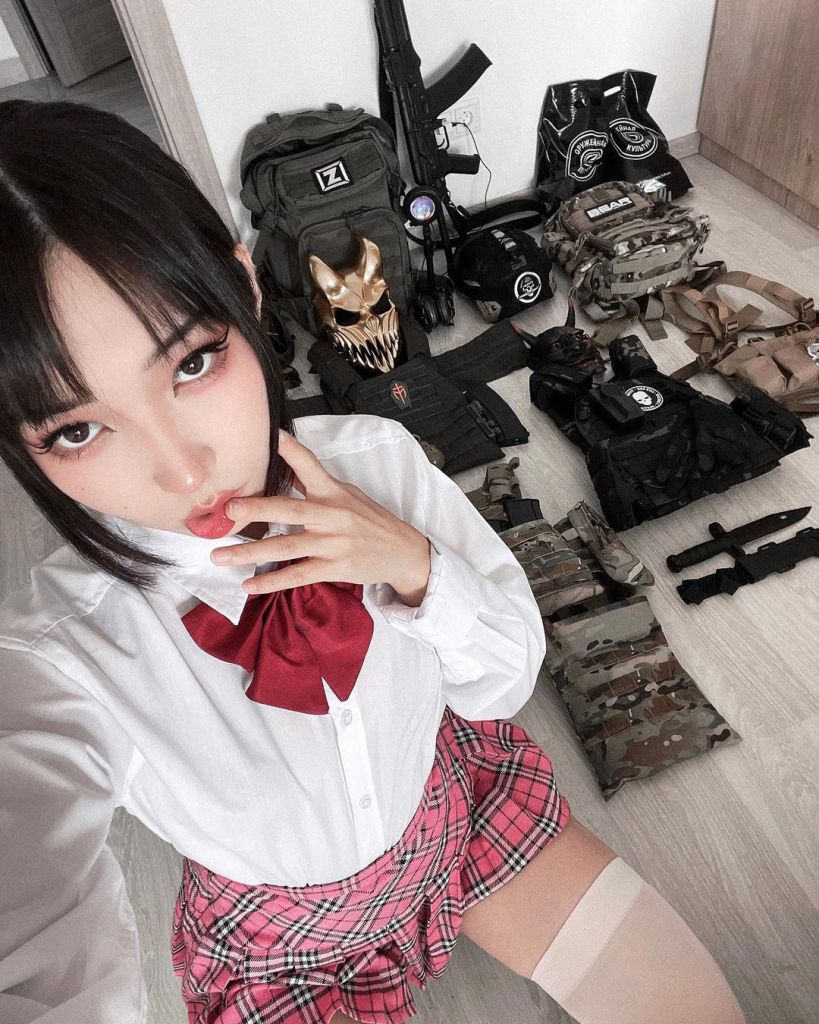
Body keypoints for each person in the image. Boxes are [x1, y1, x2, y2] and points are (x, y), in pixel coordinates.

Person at [0, 99, 747, 1024]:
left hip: (453, 807)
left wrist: (416, 565)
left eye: (191, 363)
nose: (182, 469)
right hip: (283, 943)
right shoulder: (55, 655)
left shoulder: (374, 458)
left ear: (245, 289)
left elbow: (501, 682)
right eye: (77, 430)